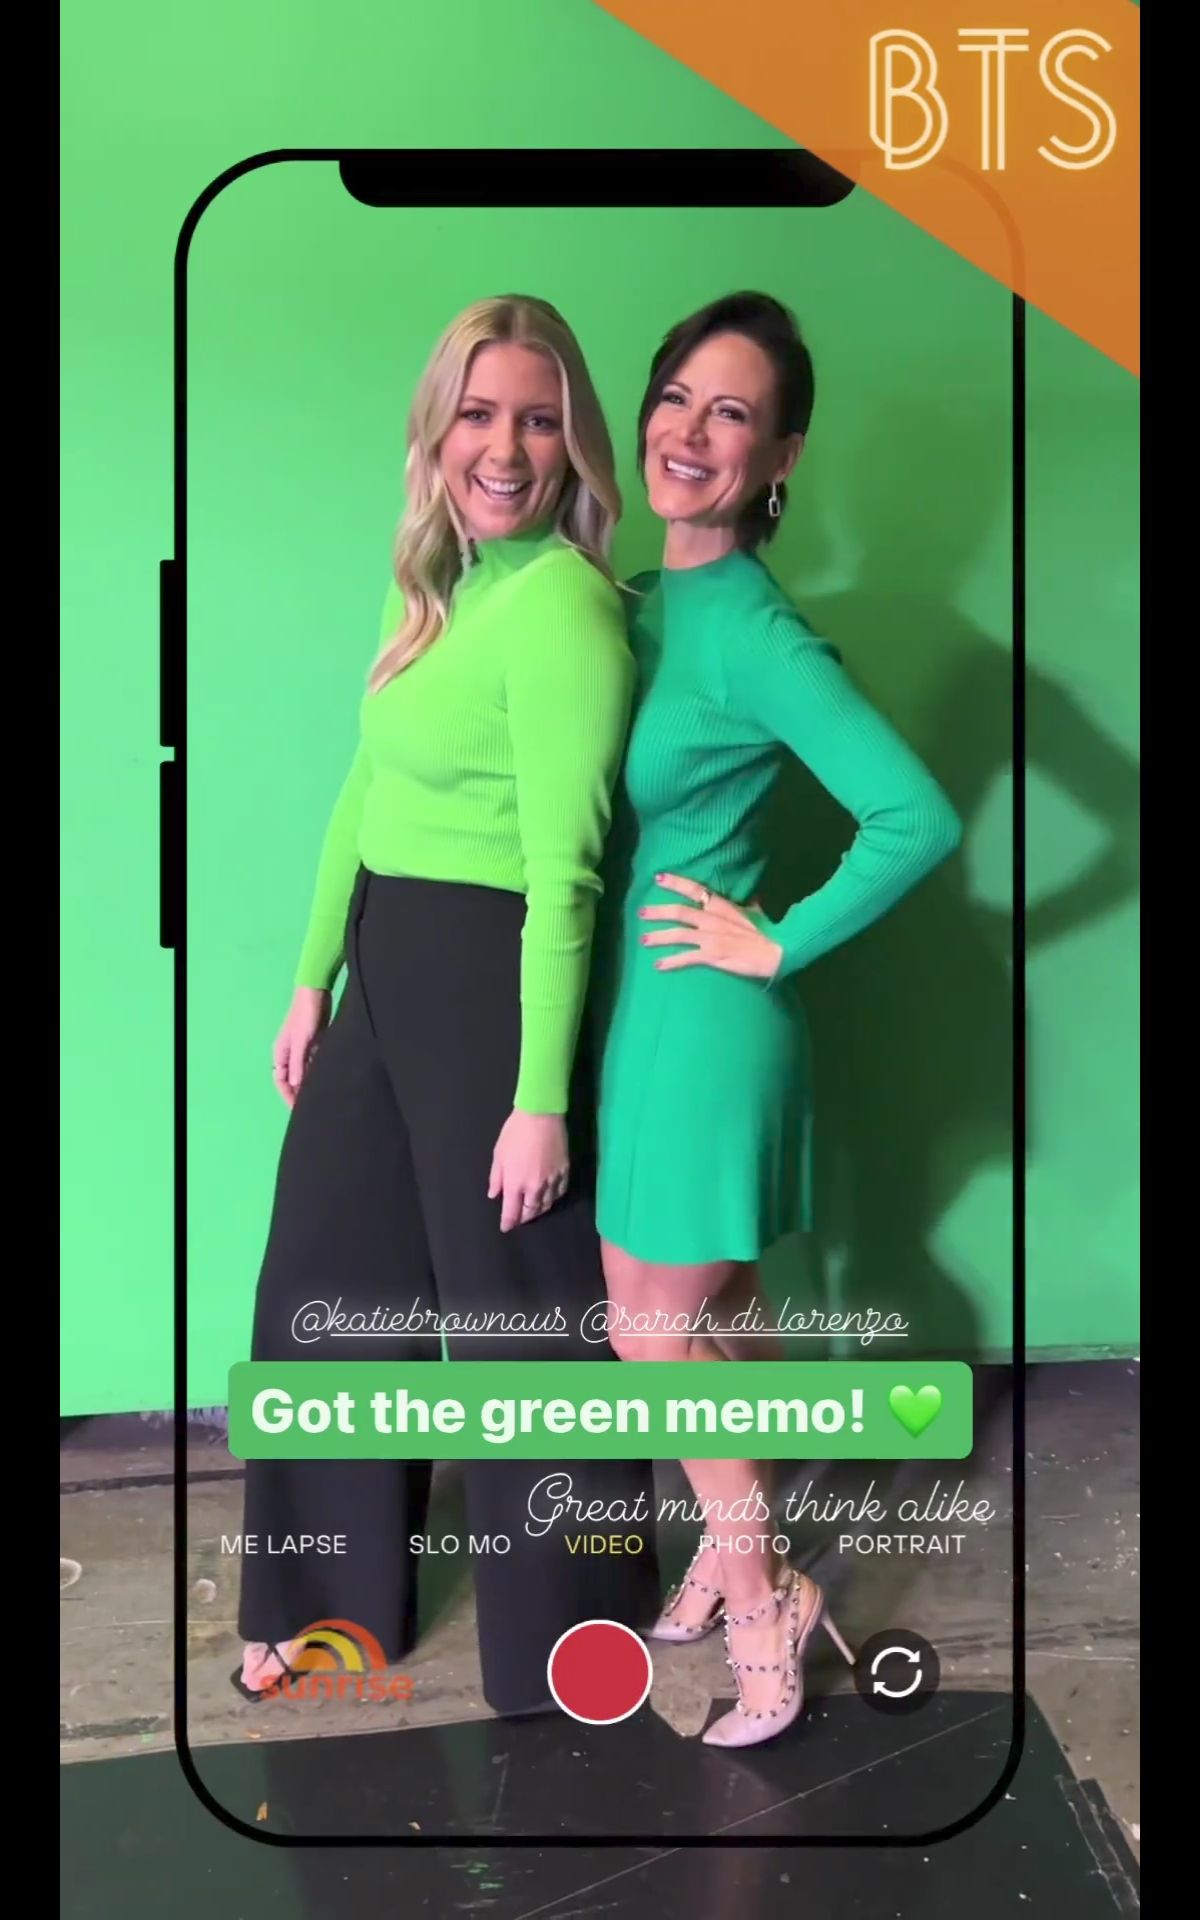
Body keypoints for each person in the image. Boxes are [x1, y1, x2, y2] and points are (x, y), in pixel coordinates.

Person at [235, 293, 660, 1717]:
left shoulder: (566, 610)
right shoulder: (434, 585)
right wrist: (312, 981)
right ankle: (324, 1600)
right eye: (480, 414)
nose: (506, 448)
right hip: (385, 965)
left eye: (539, 419)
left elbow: (566, 876)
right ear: (439, 429)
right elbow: (363, 786)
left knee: (519, 1314)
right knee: (325, 1284)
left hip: (495, 979)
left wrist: (541, 1099)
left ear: (574, 443)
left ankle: (575, 1631)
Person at [593, 292, 964, 1748]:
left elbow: (915, 816)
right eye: (677, 397)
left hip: (707, 1022)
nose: (692, 431)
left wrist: (781, 937)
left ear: (781, 455)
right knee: (720, 1318)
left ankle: (769, 1615)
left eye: (732, 411)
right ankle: (736, 1550)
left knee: (650, 1339)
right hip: (639, 1017)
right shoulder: (637, 598)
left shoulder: (755, 631)